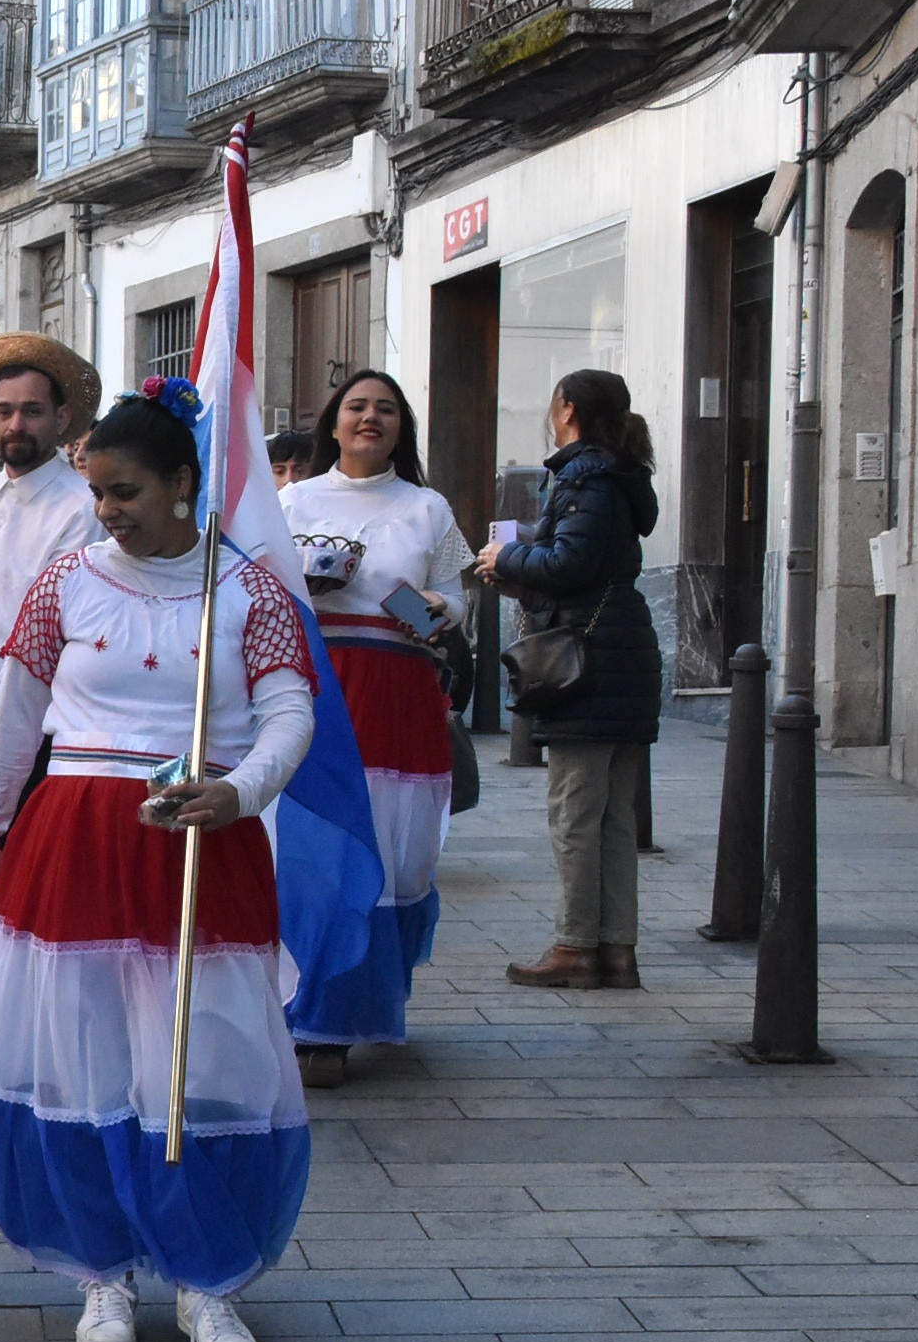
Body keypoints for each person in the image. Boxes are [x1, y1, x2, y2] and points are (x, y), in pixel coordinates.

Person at [0, 386, 318, 1342]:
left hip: (201, 844)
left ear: (183, 484)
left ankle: (207, 1278)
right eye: (97, 491)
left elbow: (291, 718)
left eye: (123, 491)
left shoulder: (250, 591)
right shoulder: (64, 581)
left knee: (200, 1063)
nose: (106, 509)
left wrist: (237, 791)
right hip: (72, 840)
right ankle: (100, 1268)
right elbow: (16, 714)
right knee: (81, 1057)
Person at [277, 373, 474, 1087]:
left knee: (396, 857)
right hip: (316, 694)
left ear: (401, 428)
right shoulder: (292, 502)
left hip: (398, 699)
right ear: (333, 423)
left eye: (385, 410)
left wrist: (427, 610)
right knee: (317, 855)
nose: (370, 418)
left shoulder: (427, 508)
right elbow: (257, 591)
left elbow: (453, 610)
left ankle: (366, 1002)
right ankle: (313, 1019)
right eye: (357, 407)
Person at [476, 368, 662, 991]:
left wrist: (508, 557)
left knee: (574, 812)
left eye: (554, 402)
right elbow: (583, 565)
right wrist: (524, 570)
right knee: (610, 816)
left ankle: (576, 944)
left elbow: (570, 561)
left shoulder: (586, 476)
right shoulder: (616, 475)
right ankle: (615, 949)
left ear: (569, 409)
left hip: (592, 662)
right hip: (619, 653)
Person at [0, 335, 105, 991]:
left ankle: (12, 1025)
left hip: (30, 727)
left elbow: (40, 632)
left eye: (32, 410)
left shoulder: (81, 509)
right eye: (3, 410)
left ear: (63, 419)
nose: (15, 424)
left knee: (22, 887)